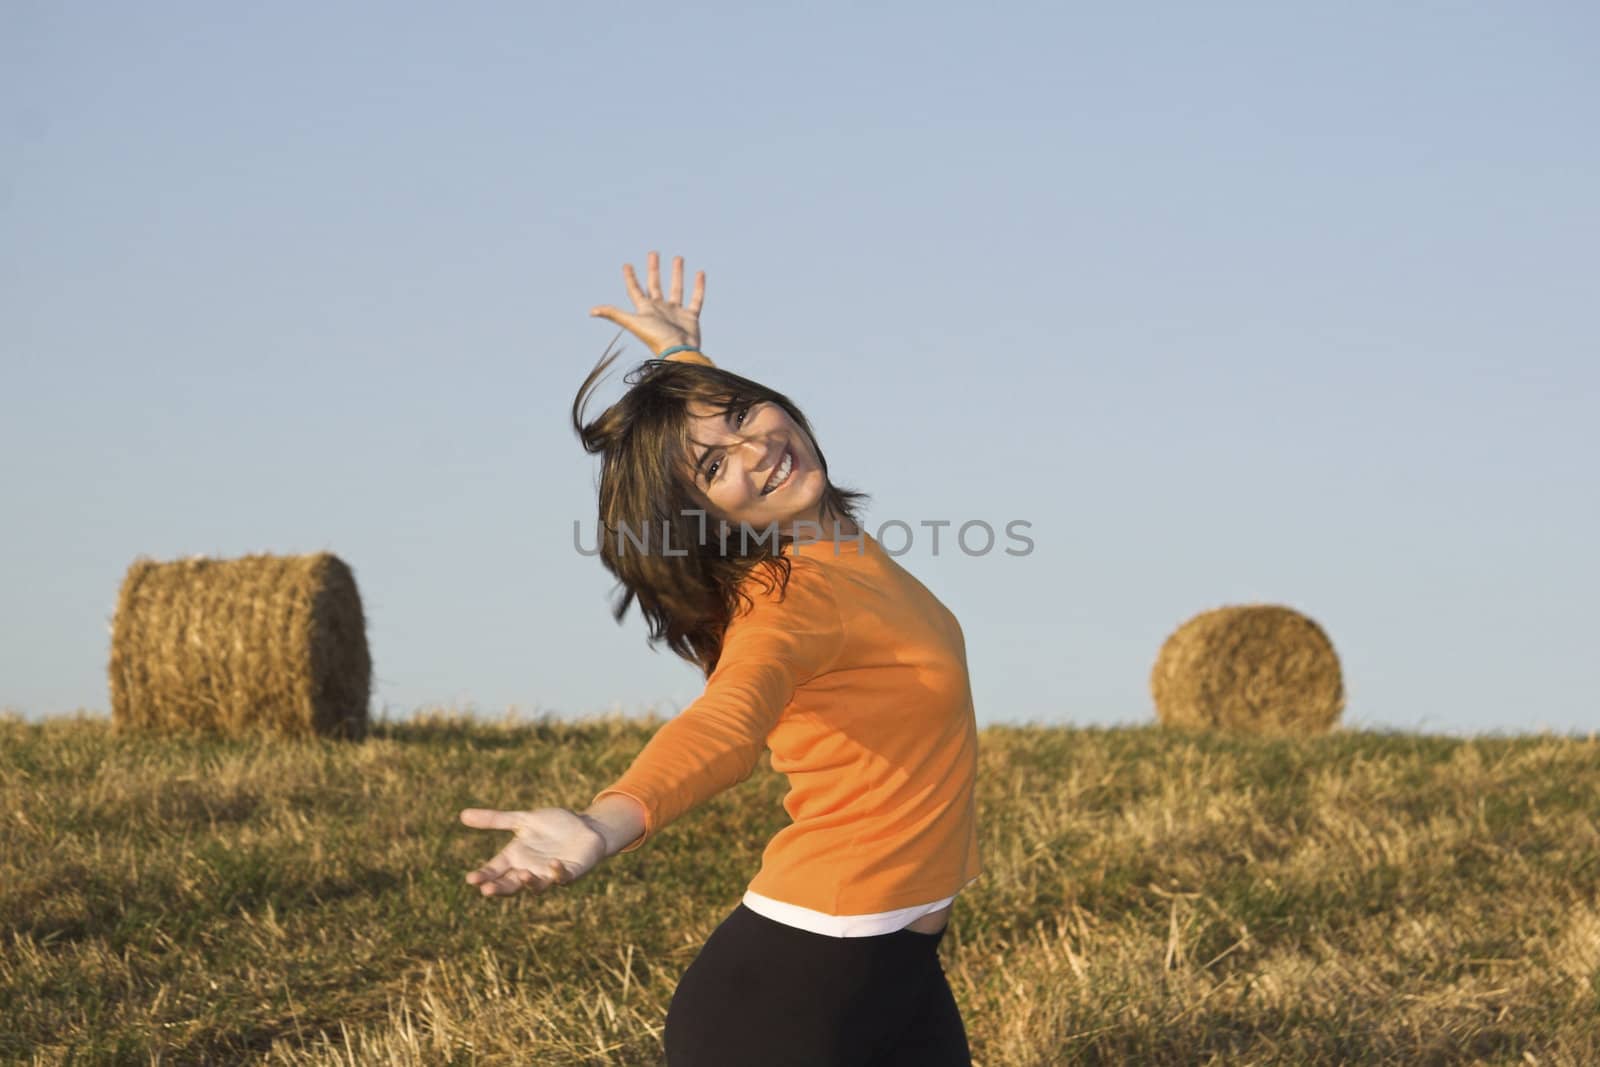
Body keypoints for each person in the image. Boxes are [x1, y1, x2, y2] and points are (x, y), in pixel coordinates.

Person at [459, 252, 982, 1066]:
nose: (755, 447)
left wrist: (680, 359)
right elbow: (726, 721)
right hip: (797, 996)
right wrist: (606, 819)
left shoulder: (828, 537)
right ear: (702, 516)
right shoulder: (790, 599)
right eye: (713, 465)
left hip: (899, 971)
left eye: (743, 411)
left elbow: (724, 431)